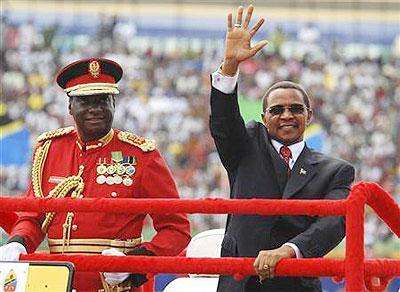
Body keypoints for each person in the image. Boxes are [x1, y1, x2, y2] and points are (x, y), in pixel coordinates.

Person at [0, 58, 191, 292]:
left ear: (114, 104)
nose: (95, 109)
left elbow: (177, 229)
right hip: (57, 283)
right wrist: (18, 241)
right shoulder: (49, 150)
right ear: (70, 106)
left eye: (103, 100)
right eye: (85, 101)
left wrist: (134, 263)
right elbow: (34, 217)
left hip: (118, 287)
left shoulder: (142, 155)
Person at [209, 5, 355, 292]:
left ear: (308, 116)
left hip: (296, 282)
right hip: (241, 280)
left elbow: (333, 223)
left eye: (295, 109)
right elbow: (224, 121)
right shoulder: (247, 144)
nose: (286, 115)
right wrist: (230, 66)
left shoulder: (335, 170)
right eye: (277, 110)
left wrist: (288, 251)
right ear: (265, 118)